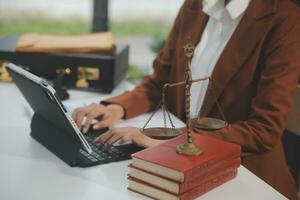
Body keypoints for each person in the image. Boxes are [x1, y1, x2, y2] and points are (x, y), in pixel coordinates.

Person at [72, 0, 300, 199]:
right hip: (179, 167)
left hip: (245, 177)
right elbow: (159, 81)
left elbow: (263, 130)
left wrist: (171, 139)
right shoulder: (195, 5)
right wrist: (117, 108)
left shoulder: (285, 19)